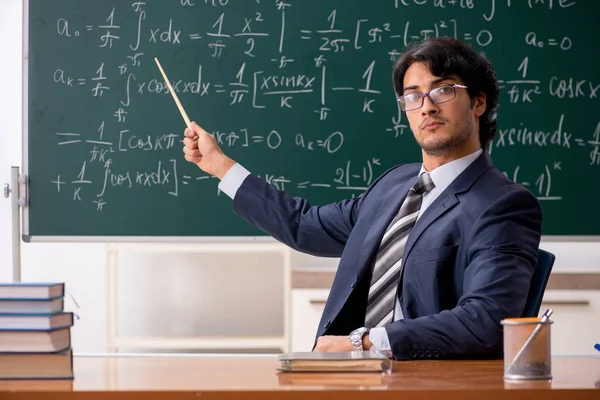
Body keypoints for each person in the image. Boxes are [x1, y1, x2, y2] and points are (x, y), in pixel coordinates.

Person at [182, 37, 543, 360]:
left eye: (443, 90)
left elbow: (487, 320)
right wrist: (221, 166)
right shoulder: (394, 185)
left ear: (478, 102)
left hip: (425, 380)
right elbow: (304, 225)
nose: (427, 106)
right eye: (413, 95)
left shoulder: (503, 204)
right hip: (348, 376)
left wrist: (367, 343)